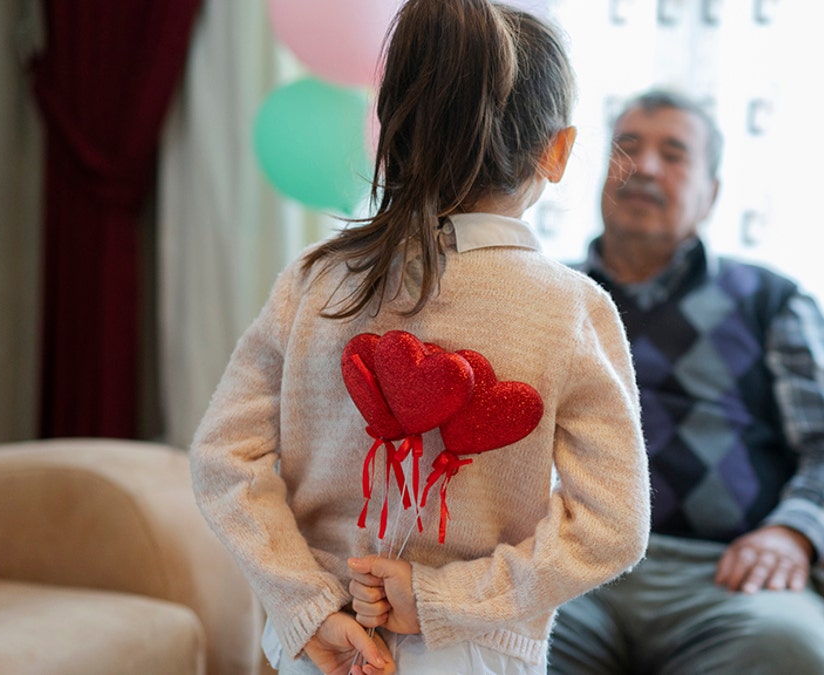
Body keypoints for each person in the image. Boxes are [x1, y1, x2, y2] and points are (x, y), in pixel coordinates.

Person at [190, 2, 651, 674]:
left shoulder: (316, 280)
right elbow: (613, 526)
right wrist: (443, 597)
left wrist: (306, 602)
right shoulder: (572, 309)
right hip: (478, 649)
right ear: (558, 151)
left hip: (328, 643)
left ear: (393, 129)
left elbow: (222, 458)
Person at [548, 89, 824, 674]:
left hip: (722, 577)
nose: (645, 167)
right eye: (627, 148)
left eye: (673, 154)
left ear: (712, 194)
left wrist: (791, 535)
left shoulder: (772, 300)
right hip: (568, 568)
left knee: (786, 648)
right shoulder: (546, 295)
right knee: (481, 637)